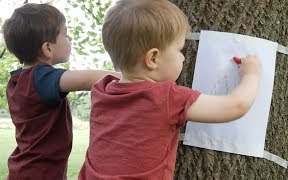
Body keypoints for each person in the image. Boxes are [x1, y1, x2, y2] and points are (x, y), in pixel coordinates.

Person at [79, 0, 261, 179]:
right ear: (153, 58)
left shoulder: (101, 92)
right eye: (179, 49)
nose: (183, 58)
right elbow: (235, 106)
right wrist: (251, 74)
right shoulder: (165, 97)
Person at [2, 3, 120, 180]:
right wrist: (130, 76)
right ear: (47, 48)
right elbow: (88, 79)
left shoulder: (18, 81)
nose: (70, 39)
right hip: (39, 174)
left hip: (28, 170)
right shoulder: (40, 78)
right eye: (65, 35)